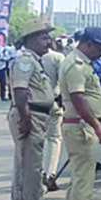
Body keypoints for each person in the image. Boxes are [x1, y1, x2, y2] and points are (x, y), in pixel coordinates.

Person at [59, 27, 101, 200]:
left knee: (77, 180)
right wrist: (97, 127)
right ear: (88, 44)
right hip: (81, 127)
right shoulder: (76, 64)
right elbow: (78, 97)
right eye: (100, 48)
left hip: (81, 126)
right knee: (83, 182)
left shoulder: (80, 62)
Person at [7, 23, 64, 200]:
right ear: (30, 39)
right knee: (32, 166)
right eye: (44, 38)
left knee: (25, 165)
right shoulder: (25, 61)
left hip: (37, 113)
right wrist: (25, 117)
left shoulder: (34, 61)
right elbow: (20, 91)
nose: (48, 42)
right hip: (31, 113)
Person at [41, 39, 66, 191]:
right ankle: (50, 173)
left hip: (33, 105)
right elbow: (64, 81)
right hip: (53, 103)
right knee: (54, 139)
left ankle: (39, 172)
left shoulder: (22, 57)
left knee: (37, 141)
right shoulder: (57, 58)